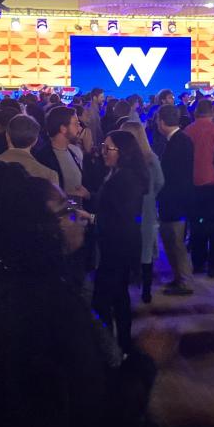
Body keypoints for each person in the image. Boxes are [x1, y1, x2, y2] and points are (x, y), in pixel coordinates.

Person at [0, 161, 186, 427]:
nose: (80, 216)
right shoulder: (50, 303)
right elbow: (98, 410)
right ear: (37, 227)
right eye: (66, 210)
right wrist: (145, 359)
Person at [90, 130, 149, 352]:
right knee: (119, 297)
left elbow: (122, 215)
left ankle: (109, 349)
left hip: (119, 246)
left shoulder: (127, 179)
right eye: (103, 147)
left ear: (123, 152)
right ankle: (121, 345)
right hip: (117, 244)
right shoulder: (118, 173)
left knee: (103, 300)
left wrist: (93, 218)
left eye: (109, 148)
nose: (103, 152)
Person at [121, 121, 164, 304]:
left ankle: (127, 285)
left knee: (128, 246)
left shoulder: (125, 160)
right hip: (147, 209)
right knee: (145, 250)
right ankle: (146, 291)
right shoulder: (151, 158)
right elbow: (160, 182)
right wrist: (151, 195)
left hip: (128, 209)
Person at [157, 104, 195, 296]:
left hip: (176, 204)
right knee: (173, 243)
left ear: (161, 122)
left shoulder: (178, 141)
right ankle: (179, 278)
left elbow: (176, 177)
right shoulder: (180, 140)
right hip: (176, 203)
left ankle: (185, 281)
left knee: (177, 244)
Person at [186, 99, 214, 278]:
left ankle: (198, 262)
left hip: (194, 187)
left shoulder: (187, 132)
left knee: (197, 225)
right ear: (212, 113)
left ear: (195, 113)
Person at [35, 106, 90, 202]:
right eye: (76, 123)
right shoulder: (43, 157)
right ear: (63, 128)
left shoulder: (76, 151)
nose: (80, 128)